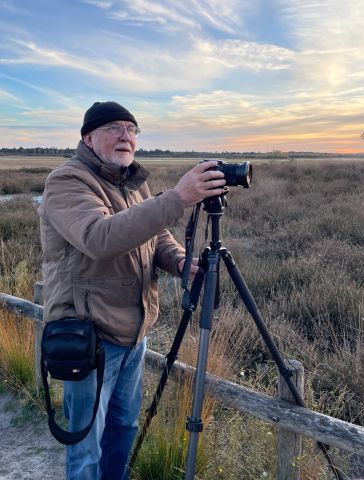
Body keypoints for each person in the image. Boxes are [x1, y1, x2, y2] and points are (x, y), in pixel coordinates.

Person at [38, 100, 226, 480]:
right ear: (88, 137)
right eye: (115, 129)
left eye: (132, 129)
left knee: (123, 431)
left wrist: (178, 262)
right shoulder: (67, 181)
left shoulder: (133, 182)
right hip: (90, 338)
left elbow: (156, 236)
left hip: (133, 333)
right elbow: (100, 237)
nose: (126, 136)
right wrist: (177, 198)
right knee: (87, 445)